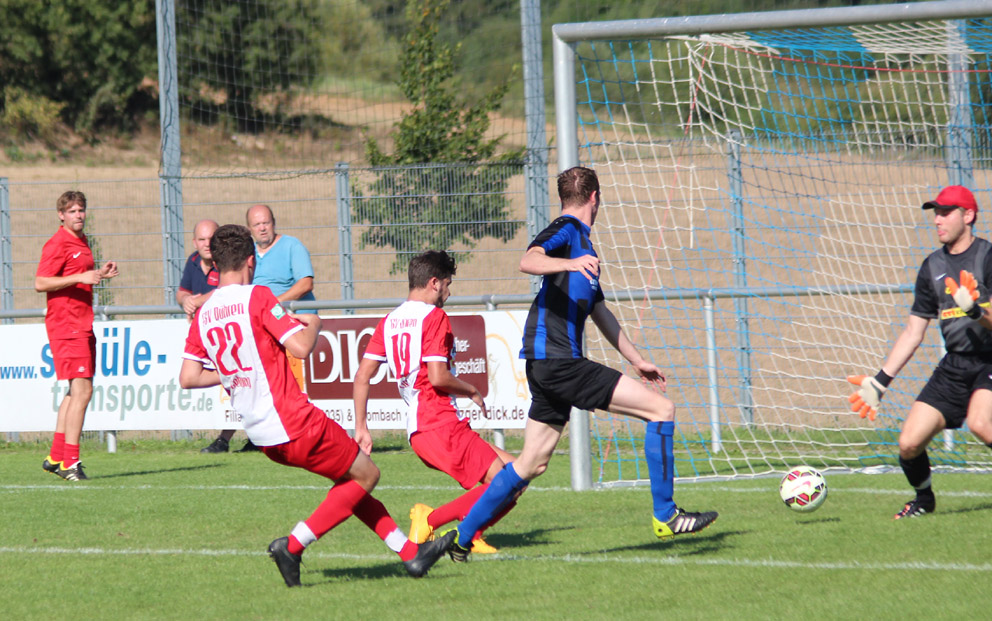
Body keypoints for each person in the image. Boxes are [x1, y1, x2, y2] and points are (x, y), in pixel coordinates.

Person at [444, 166, 718, 562]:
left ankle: (462, 537)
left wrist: (637, 359)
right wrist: (569, 264)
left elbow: (599, 311)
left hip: (546, 364)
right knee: (662, 410)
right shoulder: (568, 230)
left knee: (531, 464)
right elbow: (528, 260)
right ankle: (666, 515)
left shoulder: (584, 246)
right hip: (559, 362)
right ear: (595, 197)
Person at [179, 224, 454, 587]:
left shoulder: (205, 312)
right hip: (292, 420)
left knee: (350, 480)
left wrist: (235, 371)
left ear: (215, 263)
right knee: (367, 475)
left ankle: (410, 554)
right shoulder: (257, 296)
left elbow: (188, 377)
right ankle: (292, 546)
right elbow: (302, 347)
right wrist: (314, 323)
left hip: (261, 434)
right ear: (251, 260)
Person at [353, 250, 517, 555]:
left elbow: (362, 376)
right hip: (438, 422)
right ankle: (433, 522)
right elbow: (438, 377)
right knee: (503, 482)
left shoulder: (389, 321)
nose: (449, 292)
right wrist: (471, 390)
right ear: (434, 283)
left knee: (519, 474)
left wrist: (361, 427)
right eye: (447, 284)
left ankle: (469, 533)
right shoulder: (434, 317)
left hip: (421, 430)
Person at [847, 185, 992, 519]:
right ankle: (924, 500)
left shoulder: (988, 257)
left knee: (981, 424)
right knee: (909, 444)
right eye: (936, 212)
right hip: (954, 365)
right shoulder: (932, 266)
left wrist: (976, 311)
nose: (938, 219)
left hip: (989, 359)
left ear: (968, 216)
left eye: (946, 212)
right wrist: (880, 382)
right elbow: (914, 332)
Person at [36, 190, 119, 481]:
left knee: (75, 392)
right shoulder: (57, 243)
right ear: (61, 215)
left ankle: (56, 457)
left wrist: (98, 273)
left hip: (82, 322)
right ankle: (70, 462)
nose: (78, 215)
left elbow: (77, 276)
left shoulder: (81, 241)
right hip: (66, 324)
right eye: (72, 211)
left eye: (81, 210)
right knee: (83, 392)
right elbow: (40, 282)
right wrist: (79, 277)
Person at [237, 203, 317, 453]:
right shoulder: (248, 255)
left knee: (292, 385)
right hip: (261, 325)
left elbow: (305, 283)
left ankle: (304, 434)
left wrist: (273, 304)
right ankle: (262, 436)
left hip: (291, 322)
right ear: (249, 228)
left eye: (266, 222)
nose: (262, 228)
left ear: (274, 223)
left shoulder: (292, 246)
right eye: (257, 224)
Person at [176, 219, 219, 318]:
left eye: (212, 239)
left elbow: (226, 293)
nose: (207, 244)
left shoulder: (228, 261)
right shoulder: (193, 260)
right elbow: (181, 292)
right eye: (202, 240)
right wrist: (186, 300)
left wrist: (195, 302)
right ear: (195, 243)